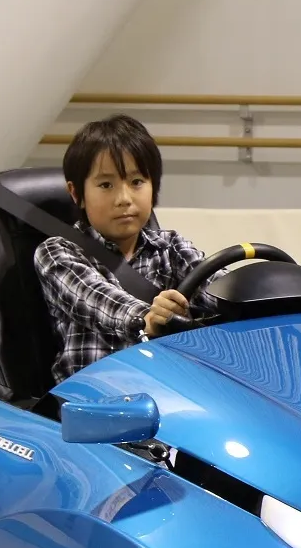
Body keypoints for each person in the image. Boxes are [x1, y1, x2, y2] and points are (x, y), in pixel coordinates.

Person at [34, 114, 217, 383]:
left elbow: (220, 289)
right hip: (92, 398)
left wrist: (256, 294)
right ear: (76, 194)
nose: (124, 199)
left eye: (136, 182)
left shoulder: (172, 247)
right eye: (106, 185)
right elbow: (96, 299)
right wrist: (148, 319)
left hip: (164, 391)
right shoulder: (57, 252)